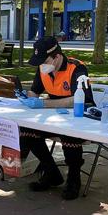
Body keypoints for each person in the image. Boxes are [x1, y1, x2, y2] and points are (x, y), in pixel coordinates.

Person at [17, 36, 94, 200]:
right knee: (26, 130)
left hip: (80, 120)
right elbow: (34, 92)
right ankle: (51, 171)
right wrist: (26, 97)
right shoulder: (44, 69)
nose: (41, 66)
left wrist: (44, 104)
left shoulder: (77, 69)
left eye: (44, 61)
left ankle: (74, 178)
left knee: (69, 133)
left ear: (57, 57)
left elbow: (79, 99)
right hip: (54, 118)